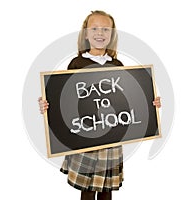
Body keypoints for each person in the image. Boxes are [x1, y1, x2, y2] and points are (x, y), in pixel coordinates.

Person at [38, 10, 161, 200]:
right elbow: (65, 96)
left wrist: (150, 103)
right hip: (85, 138)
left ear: (111, 35)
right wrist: (48, 104)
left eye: (105, 29)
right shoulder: (77, 63)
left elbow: (128, 98)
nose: (100, 33)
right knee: (87, 190)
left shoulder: (118, 64)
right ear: (86, 34)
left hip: (111, 137)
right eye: (94, 28)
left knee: (106, 190)